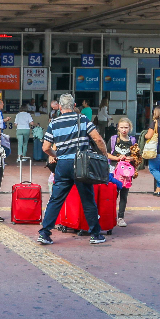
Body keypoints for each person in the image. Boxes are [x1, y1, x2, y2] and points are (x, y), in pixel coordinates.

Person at [37, 94, 108, 245]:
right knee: (88, 199)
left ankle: (45, 232)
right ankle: (95, 234)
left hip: (62, 165)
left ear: (60, 107)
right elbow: (98, 139)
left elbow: (45, 147)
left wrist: (56, 154)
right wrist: (104, 155)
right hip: (81, 163)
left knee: (56, 199)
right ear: (74, 105)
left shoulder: (54, 123)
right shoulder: (82, 119)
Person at [106, 117, 136, 227]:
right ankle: (110, 215)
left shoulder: (132, 141)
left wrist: (131, 159)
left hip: (126, 173)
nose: (124, 130)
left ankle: (121, 217)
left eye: (126, 127)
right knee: (112, 193)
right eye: (122, 127)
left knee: (124, 194)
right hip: (114, 170)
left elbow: (136, 156)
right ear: (118, 128)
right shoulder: (113, 139)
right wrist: (117, 158)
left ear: (130, 128)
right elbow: (107, 153)